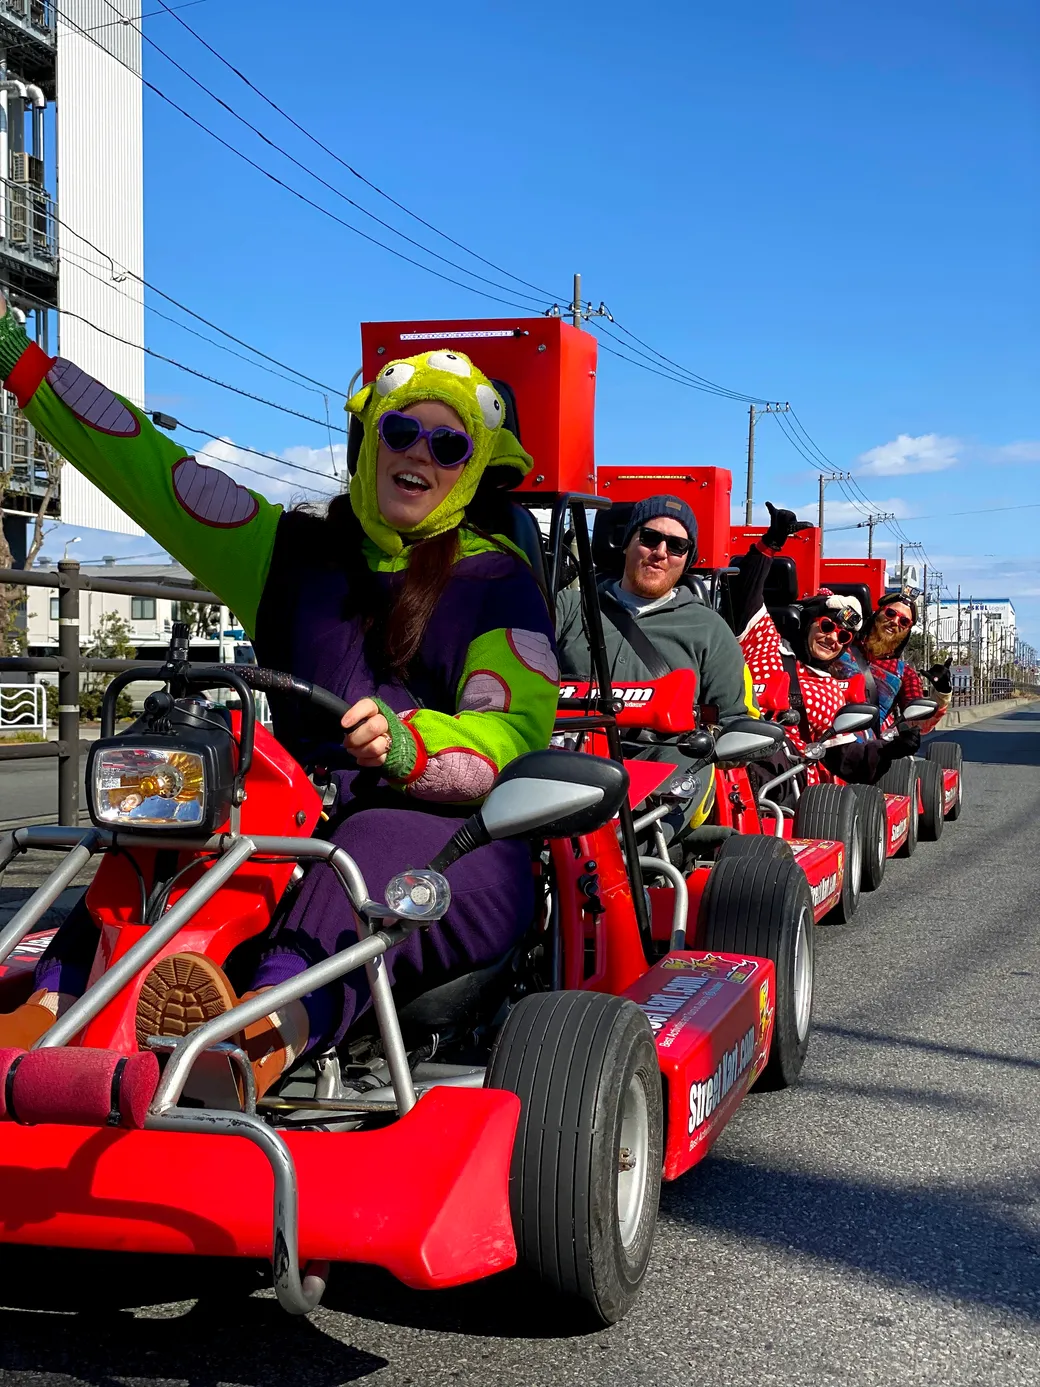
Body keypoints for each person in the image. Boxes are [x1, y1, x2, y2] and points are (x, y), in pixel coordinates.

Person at [0, 311, 558, 1095]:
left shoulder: (499, 581)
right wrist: (19, 360)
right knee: (167, 815)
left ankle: (253, 1043)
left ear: (472, 469)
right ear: (370, 439)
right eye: (402, 430)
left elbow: (513, 726)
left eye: (448, 445)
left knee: (366, 843)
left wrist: (410, 744)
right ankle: (47, 1013)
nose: (419, 455)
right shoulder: (285, 549)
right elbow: (147, 467)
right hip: (286, 810)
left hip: (446, 829)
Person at [555, 494, 760, 846]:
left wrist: (723, 743)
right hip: (568, 753)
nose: (661, 552)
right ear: (627, 543)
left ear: (686, 559)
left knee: (688, 760)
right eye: (650, 538)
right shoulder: (569, 606)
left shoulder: (710, 628)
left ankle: (622, 861)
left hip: (662, 761)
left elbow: (736, 721)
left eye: (677, 545)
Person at [732, 503, 920, 786]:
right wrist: (769, 545)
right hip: (726, 752)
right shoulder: (766, 641)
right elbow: (744, 595)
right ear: (809, 621)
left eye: (843, 637)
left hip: (780, 780)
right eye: (827, 626)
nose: (833, 638)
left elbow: (845, 756)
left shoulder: (832, 690)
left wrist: (890, 749)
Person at [849, 591, 950, 737]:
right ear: (878, 614)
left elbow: (918, 723)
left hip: (868, 745)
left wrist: (942, 693)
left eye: (904, 621)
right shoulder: (841, 645)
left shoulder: (905, 674)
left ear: (906, 632)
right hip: (822, 736)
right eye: (890, 613)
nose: (895, 622)